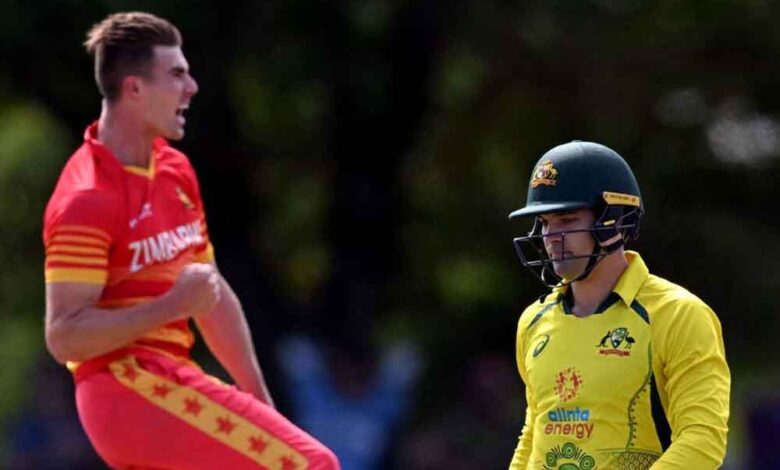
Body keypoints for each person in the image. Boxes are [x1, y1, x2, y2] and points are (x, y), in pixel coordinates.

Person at [43, 12, 339, 470]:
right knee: (312, 465)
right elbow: (64, 337)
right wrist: (170, 306)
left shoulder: (175, 170)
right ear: (134, 88)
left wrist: (260, 403)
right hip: (126, 390)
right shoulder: (87, 196)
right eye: (177, 74)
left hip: (168, 380)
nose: (193, 87)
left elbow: (210, 293)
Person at [506, 141, 730, 469]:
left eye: (566, 220)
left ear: (612, 220)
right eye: (544, 222)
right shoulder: (534, 320)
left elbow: (703, 439)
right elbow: (534, 433)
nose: (550, 236)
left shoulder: (679, 315)